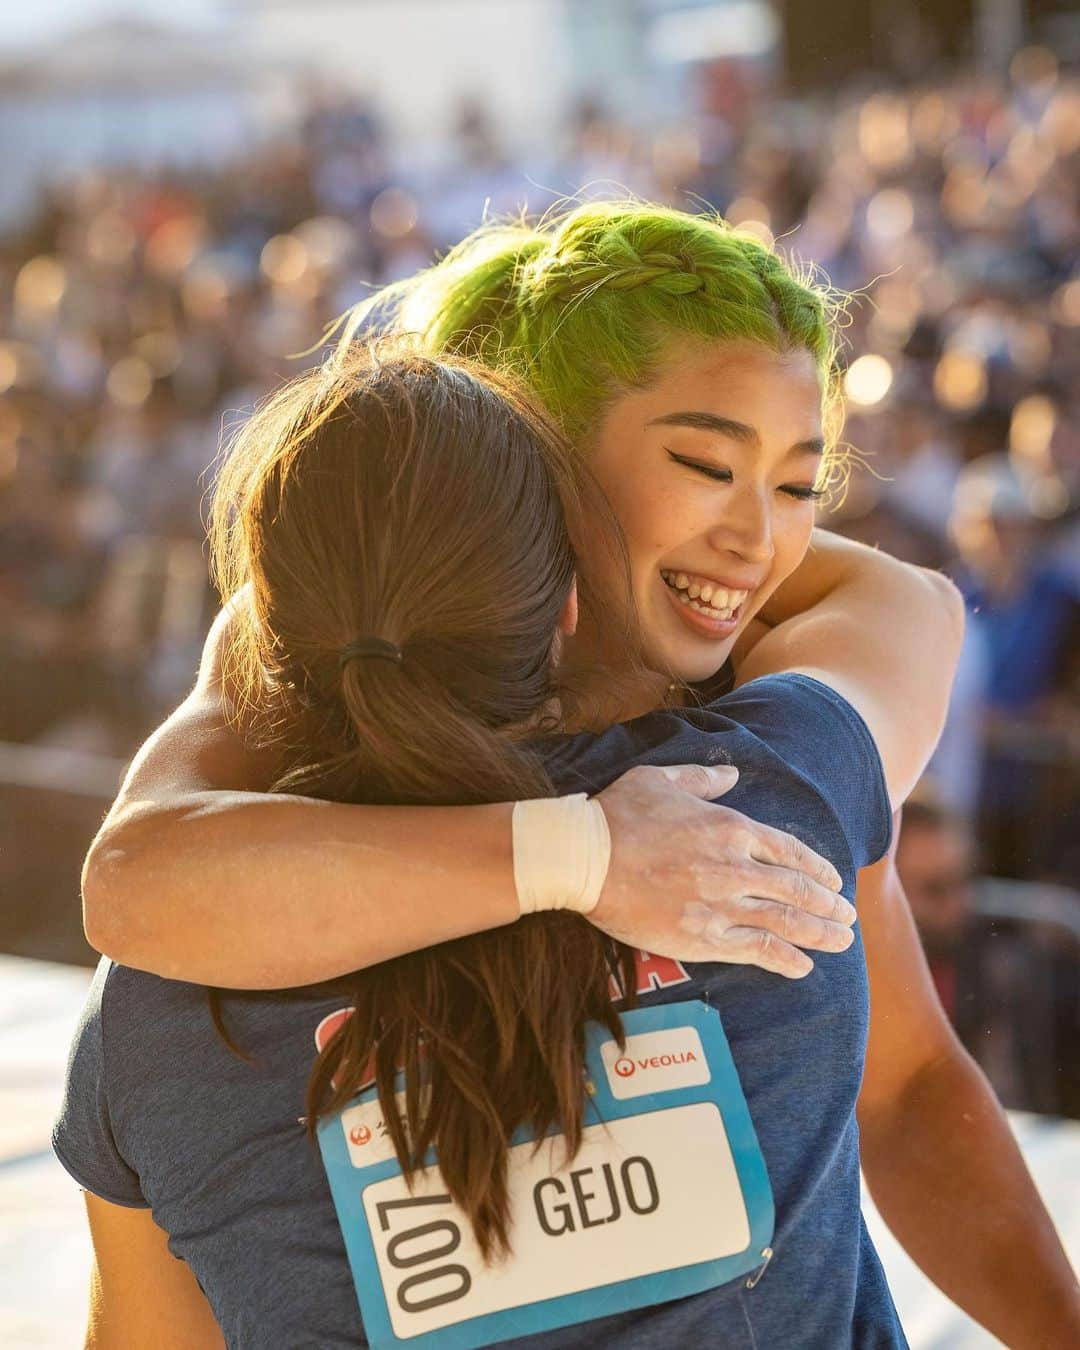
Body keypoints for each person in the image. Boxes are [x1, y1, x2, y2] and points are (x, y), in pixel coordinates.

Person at [76, 202, 1079, 1345]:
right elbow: (907, 606)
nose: (761, 542)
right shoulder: (773, 797)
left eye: (802, 487)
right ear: (541, 468)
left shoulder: (171, 990)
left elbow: (907, 1093)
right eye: (705, 464)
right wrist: (583, 854)